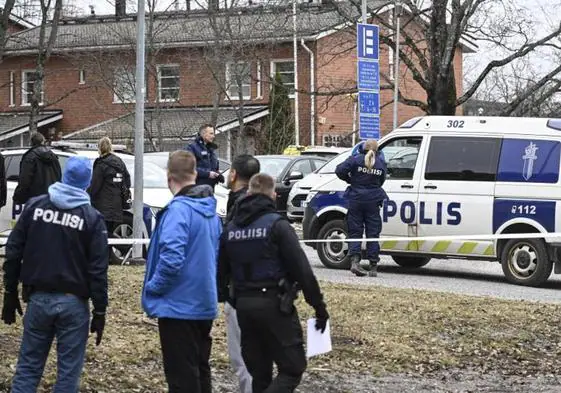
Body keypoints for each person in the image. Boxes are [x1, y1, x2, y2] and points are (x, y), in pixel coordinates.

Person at [1, 156, 109, 392]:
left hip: (38, 299)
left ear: (63, 176)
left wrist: (10, 291)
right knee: (68, 374)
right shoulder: (92, 218)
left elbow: (13, 250)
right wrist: (100, 309)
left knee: (28, 369)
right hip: (74, 303)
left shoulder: (35, 207)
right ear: (87, 183)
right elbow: (98, 270)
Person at [218, 173, 329, 393]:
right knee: (293, 368)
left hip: (244, 308)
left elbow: (220, 275)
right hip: (275, 305)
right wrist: (318, 307)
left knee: (260, 376)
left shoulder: (230, 229)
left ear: (248, 193)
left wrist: (234, 298)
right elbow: (302, 270)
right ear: (274, 195)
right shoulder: (277, 226)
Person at [142, 150, 222, 393]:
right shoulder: (211, 212)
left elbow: (171, 259)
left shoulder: (178, 210)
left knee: (181, 378)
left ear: (169, 177)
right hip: (203, 302)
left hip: (178, 306)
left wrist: (153, 288)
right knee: (199, 370)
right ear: (195, 174)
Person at [221, 154, 261, 393]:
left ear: (234, 174)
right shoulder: (262, 204)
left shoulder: (239, 206)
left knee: (242, 357)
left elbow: (229, 249)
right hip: (264, 294)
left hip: (240, 291)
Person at [335, 139, 388, 277]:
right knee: (373, 233)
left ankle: (355, 262)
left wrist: (350, 180)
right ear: (377, 151)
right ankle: (373, 266)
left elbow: (339, 170)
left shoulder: (355, 159)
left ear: (363, 148)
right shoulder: (381, 163)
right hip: (373, 201)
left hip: (356, 199)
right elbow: (382, 180)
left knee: (355, 231)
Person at [88, 137, 132, 240]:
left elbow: (95, 186)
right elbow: (127, 181)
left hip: (102, 207)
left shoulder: (101, 164)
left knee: (101, 235)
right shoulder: (119, 162)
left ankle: (123, 247)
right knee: (109, 235)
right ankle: (114, 250)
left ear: (99, 148)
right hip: (117, 207)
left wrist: (87, 196)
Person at [13, 132, 62, 205]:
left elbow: (25, 180)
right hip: (52, 199)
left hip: (35, 200)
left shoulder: (30, 157)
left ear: (31, 143)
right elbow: (59, 176)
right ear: (43, 141)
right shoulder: (53, 156)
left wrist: (18, 197)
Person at [186, 124, 224, 190]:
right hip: (197, 189)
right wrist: (207, 174)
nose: (213, 136)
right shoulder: (192, 148)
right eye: (211, 133)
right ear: (203, 134)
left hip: (210, 188)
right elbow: (189, 169)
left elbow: (214, 168)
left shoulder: (211, 150)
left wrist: (218, 174)